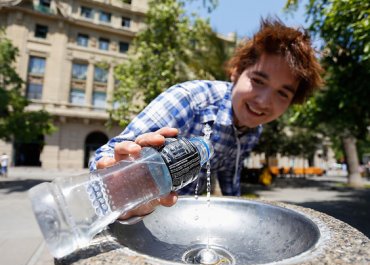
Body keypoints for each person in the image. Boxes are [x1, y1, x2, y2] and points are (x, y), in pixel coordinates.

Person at [90, 18, 323, 222]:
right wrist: (116, 177)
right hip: (134, 218)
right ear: (236, 72)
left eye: (282, 93)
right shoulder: (189, 100)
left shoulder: (254, 129)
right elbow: (107, 156)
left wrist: (240, 214)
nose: (263, 101)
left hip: (183, 219)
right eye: (258, 81)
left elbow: (230, 177)